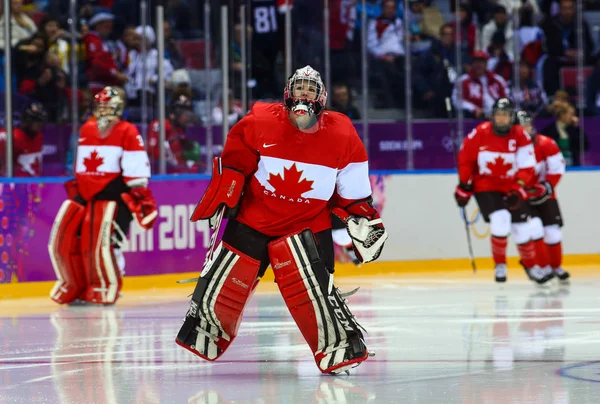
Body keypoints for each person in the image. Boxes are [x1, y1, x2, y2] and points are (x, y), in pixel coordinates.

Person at [175, 66, 388, 374]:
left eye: (310, 90)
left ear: (322, 98)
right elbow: (236, 160)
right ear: (288, 94)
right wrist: (226, 191)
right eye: (299, 88)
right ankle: (206, 330)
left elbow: (352, 190)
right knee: (223, 283)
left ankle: (338, 348)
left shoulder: (343, 134)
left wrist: (363, 217)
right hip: (255, 218)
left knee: (316, 292)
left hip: (307, 225)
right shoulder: (260, 121)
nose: (304, 95)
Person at [49, 87, 158, 306]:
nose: (104, 110)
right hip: (87, 196)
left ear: (119, 107)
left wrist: (138, 197)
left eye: (108, 105)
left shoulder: (128, 131)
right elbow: (80, 167)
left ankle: (107, 286)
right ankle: (77, 286)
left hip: (115, 198)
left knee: (107, 244)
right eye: (101, 105)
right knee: (66, 240)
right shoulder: (86, 129)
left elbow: (136, 173)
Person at [454, 98, 553, 284]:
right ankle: (500, 265)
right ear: (492, 116)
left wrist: (518, 187)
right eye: (498, 115)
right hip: (485, 185)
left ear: (511, 117)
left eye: (505, 115)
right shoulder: (480, 133)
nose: (501, 119)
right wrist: (464, 185)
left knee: (522, 228)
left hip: (510, 186)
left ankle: (531, 266)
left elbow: (526, 164)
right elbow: (465, 158)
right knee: (500, 219)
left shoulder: (520, 136)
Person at [517, 111, 569, 281]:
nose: (526, 130)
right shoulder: (511, 148)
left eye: (528, 125)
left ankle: (556, 266)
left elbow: (557, 169)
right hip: (523, 197)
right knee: (534, 229)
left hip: (546, 195)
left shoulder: (547, 144)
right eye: (521, 127)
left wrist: (546, 187)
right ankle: (543, 267)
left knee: (553, 232)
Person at [147, 94, 202, 173]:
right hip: (160, 173)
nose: (188, 117)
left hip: (177, 173)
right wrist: (171, 158)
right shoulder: (161, 125)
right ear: (174, 113)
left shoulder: (180, 129)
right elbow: (151, 151)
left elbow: (180, 157)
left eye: (190, 113)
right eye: (185, 113)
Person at [0, 102, 47, 177]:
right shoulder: (10, 136)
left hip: (35, 183)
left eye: (40, 121)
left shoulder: (39, 136)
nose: (39, 124)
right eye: (36, 121)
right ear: (26, 121)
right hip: (15, 184)